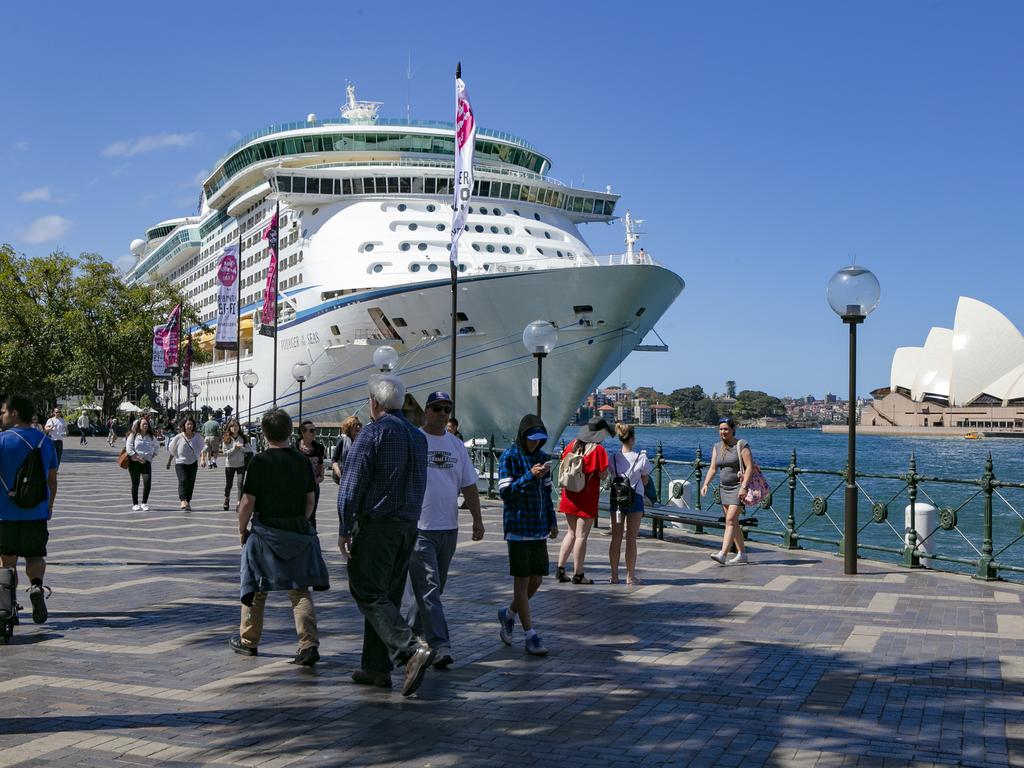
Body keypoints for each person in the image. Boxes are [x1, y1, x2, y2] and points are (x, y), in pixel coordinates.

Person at [337, 374, 433, 697]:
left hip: (378, 526)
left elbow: (351, 486)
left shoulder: (371, 434)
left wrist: (344, 527)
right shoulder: (419, 438)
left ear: (373, 403)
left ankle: (410, 650)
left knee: (365, 589)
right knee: (386, 596)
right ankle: (376, 668)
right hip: (408, 526)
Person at [230, 408, 328, 666]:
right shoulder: (302, 461)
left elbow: (247, 503)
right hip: (297, 531)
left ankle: (249, 641)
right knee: (299, 589)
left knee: (255, 588)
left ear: (264, 433)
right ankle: (308, 645)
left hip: (265, 533)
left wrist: (242, 530)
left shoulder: (259, 462)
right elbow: (310, 500)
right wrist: (301, 522)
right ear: (290, 432)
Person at [406, 392, 484, 669]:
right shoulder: (414, 439)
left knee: (433, 589)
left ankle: (408, 635)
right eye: (437, 408)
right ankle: (441, 645)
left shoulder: (456, 445)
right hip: (420, 527)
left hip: (448, 528)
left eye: (447, 409)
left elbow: (469, 485)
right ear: (426, 411)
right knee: (428, 587)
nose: (442, 413)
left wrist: (477, 518)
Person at [497, 414, 557, 656]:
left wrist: (552, 522)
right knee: (521, 581)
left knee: (537, 580)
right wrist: (529, 475)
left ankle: (508, 614)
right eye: (532, 439)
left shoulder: (543, 458)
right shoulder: (509, 457)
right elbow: (506, 493)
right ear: (523, 437)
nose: (535, 444)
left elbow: (547, 494)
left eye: (539, 440)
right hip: (518, 528)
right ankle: (530, 634)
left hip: (538, 528)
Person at [0, 394, 59, 624]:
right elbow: (52, 479)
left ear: (15, 413)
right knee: (35, 555)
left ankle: (8, 604)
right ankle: (36, 586)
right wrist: (49, 505)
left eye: (4, 411)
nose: (2, 416)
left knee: (7, 561)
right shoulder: (45, 441)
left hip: (6, 513)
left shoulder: (2, 440)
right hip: (36, 512)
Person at [556, 417, 611, 585]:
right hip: (586, 496)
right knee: (581, 536)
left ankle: (560, 569)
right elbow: (602, 475)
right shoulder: (598, 450)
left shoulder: (572, 444)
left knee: (570, 533)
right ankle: (578, 574)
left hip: (569, 494)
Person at [701, 417, 753, 566]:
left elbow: (749, 467)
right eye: (721, 429)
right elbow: (713, 468)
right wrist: (706, 484)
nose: (723, 432)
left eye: (726, 429)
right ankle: (742, 554)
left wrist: (744, 487)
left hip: (738, 488)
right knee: (733, 522)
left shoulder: (741, 445)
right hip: (724, 488)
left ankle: (723, 554)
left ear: (732, 430)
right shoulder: (717, 447)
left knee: (729, 520)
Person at [608, 422, 653, 585]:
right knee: (631, 538)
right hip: (635, 498)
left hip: (617, 499)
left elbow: (611, 474)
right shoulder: (641, 457)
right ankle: (630, 576)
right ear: (632, 439)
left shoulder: (612, 457)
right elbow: (646, 480)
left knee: (616, 537)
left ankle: (614, 575)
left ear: (620, 438)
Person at [166, 417, 205, 511]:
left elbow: (203, 447)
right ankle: (182, 500)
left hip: (192, 463)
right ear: (184, 425)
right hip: (180, 463)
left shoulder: (197, 436)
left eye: (191, 424)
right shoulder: (179, 437)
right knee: (182, 481)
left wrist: (202, 459)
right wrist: (169, 462)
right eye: (188, 424)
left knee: (190, 483)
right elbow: (173, 450)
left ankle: (188, 500)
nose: (189, 426)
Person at [295, 420, 325, 527]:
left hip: (313, 486)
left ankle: (311, 538)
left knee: (312, 514)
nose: (314, 433)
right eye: (311, 430)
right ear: (303, 433)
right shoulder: (294, 448)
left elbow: (321, 466)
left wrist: (320, 478)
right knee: (297, 512)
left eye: (315, 430)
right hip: (297, 487)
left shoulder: (319, 448)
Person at [126, 418, 158, 511]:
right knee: (135, 484)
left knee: (147, 482)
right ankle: (135, 504)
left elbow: (157, 446)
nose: (145, 426)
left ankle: (144, 503)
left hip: (146, 463)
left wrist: (152, 455)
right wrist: (137, 457)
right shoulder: (133, 435)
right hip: (134, 463)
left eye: (147, 424)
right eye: (143, 424)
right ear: (139, 425)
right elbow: (129, 449)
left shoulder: (151, 437)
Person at [221, 420, 249, 511]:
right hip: (230, 465)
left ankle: (239, 502)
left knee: (240, 484)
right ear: (229, 428)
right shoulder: (226, 438)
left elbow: (249, 450)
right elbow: (225, 453)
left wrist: (240, 448)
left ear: (239, 427)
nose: (234, 428)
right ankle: (227, 498)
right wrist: (234, 449)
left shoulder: (243, 438)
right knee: (229, 484)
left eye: (236, 426)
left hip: (241, 464)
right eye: (232, 426)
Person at [330, 416, 362, 485]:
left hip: (359, 477)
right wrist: (340, 474)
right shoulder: (342, 441)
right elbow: (334, 460)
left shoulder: (363, 441)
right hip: (344, 477)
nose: (358, 427)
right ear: (349, 428)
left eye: (359, 425)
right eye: (356, 425)